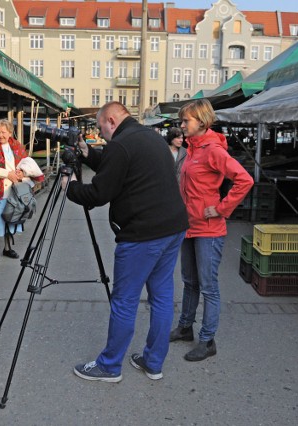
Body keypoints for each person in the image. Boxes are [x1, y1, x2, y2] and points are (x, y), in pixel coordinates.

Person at [65, 101, 189, 382]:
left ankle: (109, 366)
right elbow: (120, 169)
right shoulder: (149, 137)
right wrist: (88, 155)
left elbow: (99, 193)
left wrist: (70, 187)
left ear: (110, 120)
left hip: (143, 235)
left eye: (100, 127)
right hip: (172, 228)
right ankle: (153, 362)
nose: (100, 133)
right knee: (162, 297)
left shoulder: (121, 144)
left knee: (124, 300)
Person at [170, 99, 253, 362]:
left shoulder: (213, 150)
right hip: (188, 227)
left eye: (186, 121)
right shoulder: (192, 149)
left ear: (202, 122)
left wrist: (221, 208)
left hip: (208, 229)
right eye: (182, 121)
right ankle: (185, 328)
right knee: (189, 282)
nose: (182, 125)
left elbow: (245, 179)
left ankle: (207, 340)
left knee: (208, 287)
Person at [0, 119, 30, 265]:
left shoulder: (17, 146)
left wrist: (23, 173)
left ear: (10, 132)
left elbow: (26, 163)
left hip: (15, 190)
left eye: (3, 132)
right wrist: (7, 174)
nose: (0, 135)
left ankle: (8, 248)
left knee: (12, 219)